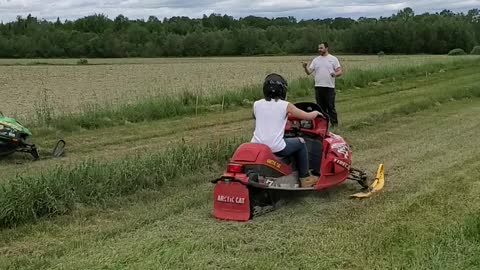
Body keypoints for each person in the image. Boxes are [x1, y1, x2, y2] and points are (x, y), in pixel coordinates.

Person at [251, 73, 322, 187]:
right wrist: (316, 113)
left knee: (286, 139)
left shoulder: (256, 104)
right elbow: (307, 116)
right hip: (276, 146)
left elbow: (258, 117)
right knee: (301, 142)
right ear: (282, 90)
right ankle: (305, 178)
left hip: (257, 145)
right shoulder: (286, 105)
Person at [302, 42, 342, 127]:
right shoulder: (316, 60)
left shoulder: (333, 59)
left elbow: (340, 71)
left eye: (321, 48)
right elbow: (309, 72)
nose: (319, 50)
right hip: (318, 87)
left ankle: (334, 124)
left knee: (330, 106)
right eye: (319, 48)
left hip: (329, 87)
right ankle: (322, 125)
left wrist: (335, 74)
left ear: (326, 48)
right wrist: (305, 67)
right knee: (320, 107)